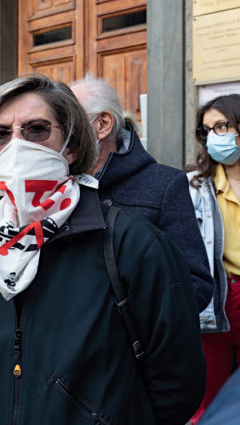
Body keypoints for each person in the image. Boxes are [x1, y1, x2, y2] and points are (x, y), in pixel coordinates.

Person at [0, 75, 205, 424]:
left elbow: (177, 377)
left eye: (36, 129)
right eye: (1, 134)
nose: (16, 145)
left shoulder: (131, 242)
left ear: (70, 146)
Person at [70, 74, 213, 312]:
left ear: (103, 124)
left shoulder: (165, 185)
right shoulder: (55, 186)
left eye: (70, 120)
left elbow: (194, 287)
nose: (61, 132)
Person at [186, 94, 240, 424]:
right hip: (214, 296)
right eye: (206, 130)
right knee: (208, 396)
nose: (213, 137)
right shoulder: (194, 186)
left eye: (221, 126)